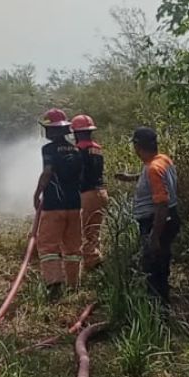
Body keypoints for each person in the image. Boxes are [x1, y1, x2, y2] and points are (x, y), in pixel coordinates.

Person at [116, 126, 180, 308]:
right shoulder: (162, 161)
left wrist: (154, 236)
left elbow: (162, 204)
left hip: (157, 223)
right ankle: (161, 306)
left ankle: (158, 313)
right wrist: (130, 178)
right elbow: (153, 177)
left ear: (137, 146)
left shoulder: (153, 168)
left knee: (153, 269)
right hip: (169, 220)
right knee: (161, 265)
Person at [32, 109, 84, 300]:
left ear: (53, 130)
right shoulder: (77, 149)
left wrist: (37, 193)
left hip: (54, 205)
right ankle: (73, 285)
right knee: (72, 247)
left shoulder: (48, 150)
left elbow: (47, 172)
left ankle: (54, 284)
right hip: (75, 206)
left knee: (47, 246)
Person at [71, 114, 109, 270]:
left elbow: (77, 175)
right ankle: (93, 264)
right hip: (102, 193)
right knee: (94, 230)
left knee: (84, 232)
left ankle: (95, 263)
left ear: (76, 133)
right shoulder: (97, 148)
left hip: (87, 194)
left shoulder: (79, 150)